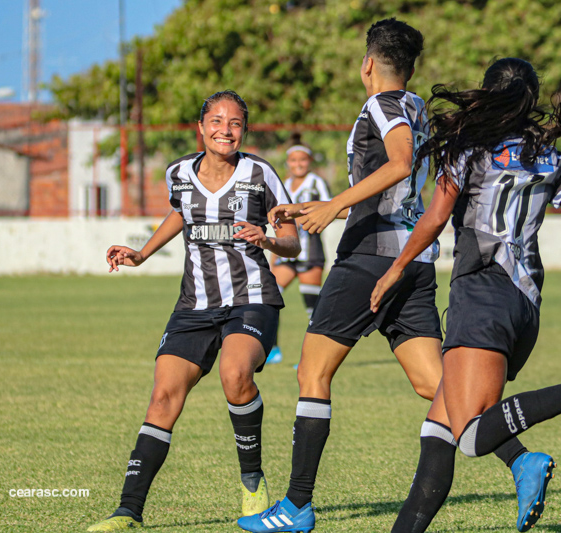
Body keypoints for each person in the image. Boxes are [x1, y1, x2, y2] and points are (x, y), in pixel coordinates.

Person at [369, 58, 561, 533]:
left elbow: (435, 218)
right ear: (530, 100)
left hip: (479, 293)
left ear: (487, 93)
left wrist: (395, 269)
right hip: (524, 305)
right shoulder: (552, 157)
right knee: (437, 437)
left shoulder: (469, 149)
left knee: (473, 437)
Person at [238, 18, 446, 533]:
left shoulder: (382, 103)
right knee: (436, 385)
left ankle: (296, 506)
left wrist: (334, 207)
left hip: (369, 257)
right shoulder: (418, 107)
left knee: (313, 374)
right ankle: (520, 457)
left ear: (368, 64)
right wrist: (321, 205)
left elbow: (398, 165)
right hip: (412, 261)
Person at [87, 91, 300, 532]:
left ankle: (252, 480)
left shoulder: (260, 174)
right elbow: (179, 215)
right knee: (162, 396)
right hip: (194, 304)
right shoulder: (179, 173)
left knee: (235, 375)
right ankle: (127, 511)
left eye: (236, 122)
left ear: (245, 130)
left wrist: (268, 240)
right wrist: (143, 253)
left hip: (252, 298)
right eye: (217, 121)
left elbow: (293, 242)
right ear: (201, 128)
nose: (226, 129)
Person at [266, 134, 333, 365]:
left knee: (311, 306)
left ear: (309, 161)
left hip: (310, 252)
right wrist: (274, 254)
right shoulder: (283, 185)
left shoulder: (317, 183)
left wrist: (308, 218)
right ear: (288, 163)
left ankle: (313, 357)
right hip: (286, 251)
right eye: (293, 160)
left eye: (302, 160)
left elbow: (330, 209)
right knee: (270, 297)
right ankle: (272, 349)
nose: (298, 164)